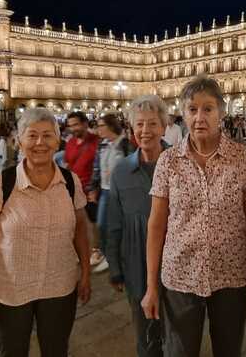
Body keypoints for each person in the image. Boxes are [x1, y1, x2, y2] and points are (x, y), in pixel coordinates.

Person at [141, 75, 246, 357]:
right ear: (182, 114)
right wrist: (151, 286)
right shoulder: (168, 161)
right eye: (192, 109)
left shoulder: (241, 157)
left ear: (221, 113)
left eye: (208, 109)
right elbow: (156, 225)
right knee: (179, 352)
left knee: (228, 349)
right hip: (180, 276)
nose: (199, 117)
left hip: (232, 276)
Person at [0, 108, 92, 357]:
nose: (40, 143)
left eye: (47, 136)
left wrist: (86, 272)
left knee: (56, 350)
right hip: (11, 291)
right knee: (12, 351)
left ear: (58, 141)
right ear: (19, 141)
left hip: (60, 287)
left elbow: (80, 229)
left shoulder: (70, 182)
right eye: (32, 135)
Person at [106, 95, 169, 357]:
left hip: (176, 262)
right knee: (144, 332)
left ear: (164, 127)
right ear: (132, 129)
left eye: (152, 124)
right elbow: (113, 223)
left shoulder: (181, 164)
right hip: (135, 264)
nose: (145, 131)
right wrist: (115, 268)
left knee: (178, 333)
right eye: (139, 125)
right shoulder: (121, 171)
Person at [90, 114, 134, 274]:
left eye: (101, 126)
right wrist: (93, 188)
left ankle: (116, 257)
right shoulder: (102, 145)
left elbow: (132, 167)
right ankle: (107, 254)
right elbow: (97, 168)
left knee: (118, 226)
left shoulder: (124, 144)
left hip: (121, 192)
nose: (98, 129)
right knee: (101, 224)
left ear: (110, 126)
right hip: (105, 190)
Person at [64, 112, 104, 269]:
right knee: (74, 222)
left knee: (93, 222)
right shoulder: (70, 143)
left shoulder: (97, 142)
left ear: (85, 124)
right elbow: (68, 164)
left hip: (90, 189)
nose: (73, 128)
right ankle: (78, 250)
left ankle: (96, 250)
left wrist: (96, 188)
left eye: (76, 124)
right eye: (70, 125)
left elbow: (101, 168)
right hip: (73, 188)